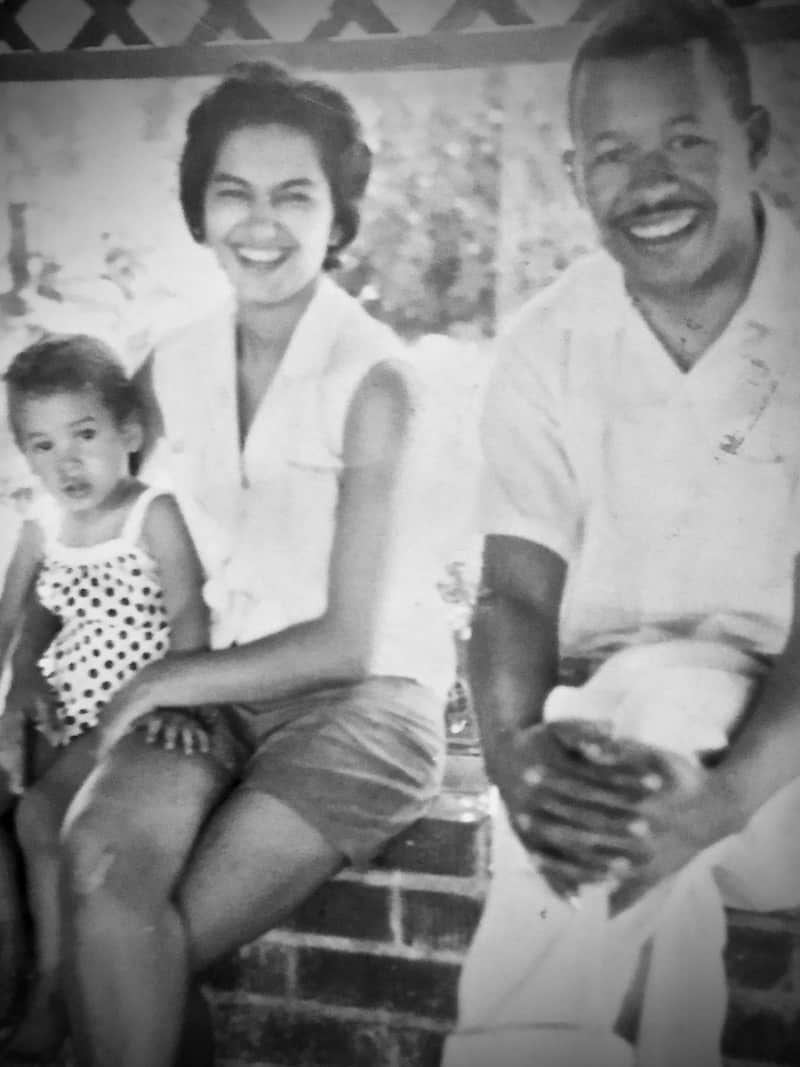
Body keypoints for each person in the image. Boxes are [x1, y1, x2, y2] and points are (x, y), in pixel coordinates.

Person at [46, 61, 450, 1067]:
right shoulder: (169, 362)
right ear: (198, 207)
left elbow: (347, 643)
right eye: (232, 191)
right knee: (101, 883)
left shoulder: (377, 378)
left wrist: (156, 680)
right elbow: (99, 517)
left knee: (148, 938)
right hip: (211, 688)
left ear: (336, 214)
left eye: (293, 194)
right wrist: (37, 662)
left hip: (364, 707)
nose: (259, 222)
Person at [442, 2, 800, 1066]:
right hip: (616, 750)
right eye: (613, 154)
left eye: (684, 140)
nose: (648, 183)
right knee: (616, 779)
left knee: (662, 706)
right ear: (573, 176)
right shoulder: (548, 341)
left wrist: (727, 794)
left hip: (776, 775)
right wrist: (512, 760)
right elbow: (512, 594)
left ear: (754, 143)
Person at [0, 334, 210, 1060]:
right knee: (31, 814)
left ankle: (59, 990)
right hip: (70, 701)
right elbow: (23, 613)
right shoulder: (44, 521)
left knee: (52, 816)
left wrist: (181, 695)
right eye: (43, 443)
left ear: (128, 432)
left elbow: (189, 614)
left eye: (84, 435)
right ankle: (53, 979)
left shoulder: (152, 511)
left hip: (137, 705)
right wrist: (21, 679)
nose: (67, 461)